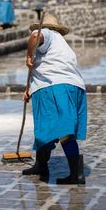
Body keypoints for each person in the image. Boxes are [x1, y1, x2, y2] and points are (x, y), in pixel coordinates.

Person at [22, 12, 87, 184]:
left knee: (51, 130)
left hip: (54, 88)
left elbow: (36, 36)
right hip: (72, 87)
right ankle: (43, 166)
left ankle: (73, 173)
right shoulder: (63, 45)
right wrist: (29, 89)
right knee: (57, 131)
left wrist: (28, 56)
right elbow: (48, 67)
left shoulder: (47, 34)